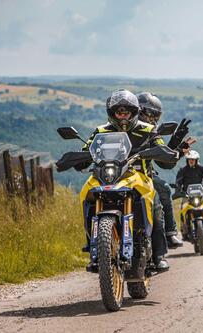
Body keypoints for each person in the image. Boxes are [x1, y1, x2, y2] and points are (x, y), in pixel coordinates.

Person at [80, 88, 181, 271]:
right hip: (107, 176)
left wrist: (166, 151)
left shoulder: (148, 130)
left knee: (156, 206)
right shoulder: (101, 131)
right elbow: (86, 149)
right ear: (112, 113)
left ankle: (159, 255)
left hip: (139, 176)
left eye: (127, 111)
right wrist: (78, 158)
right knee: (86, 194)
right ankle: (94, 247)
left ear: (135, 112)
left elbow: (160, 146)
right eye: (119, 111)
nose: (123, 115)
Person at [137, 92, 196, 249]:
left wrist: (177, 142)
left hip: (143, 175)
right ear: (138, 111)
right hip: (117, 173)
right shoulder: (118, 127)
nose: (153, 119)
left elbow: (165, 163)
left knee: (163, 188)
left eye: (156, 116)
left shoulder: (152, 133)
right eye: (150, 114)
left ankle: (170, 234)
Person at [175, 150, 203, 237]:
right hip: (187, 195)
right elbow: (178, 182)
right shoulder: (182, 170)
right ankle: (184, 229)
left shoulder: (202, 169)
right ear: (187, 160)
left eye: (193, 159)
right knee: (182, 210)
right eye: (190, 159)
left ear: (196, 160)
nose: (191, 161)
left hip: (200, 193)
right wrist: (178, 191)